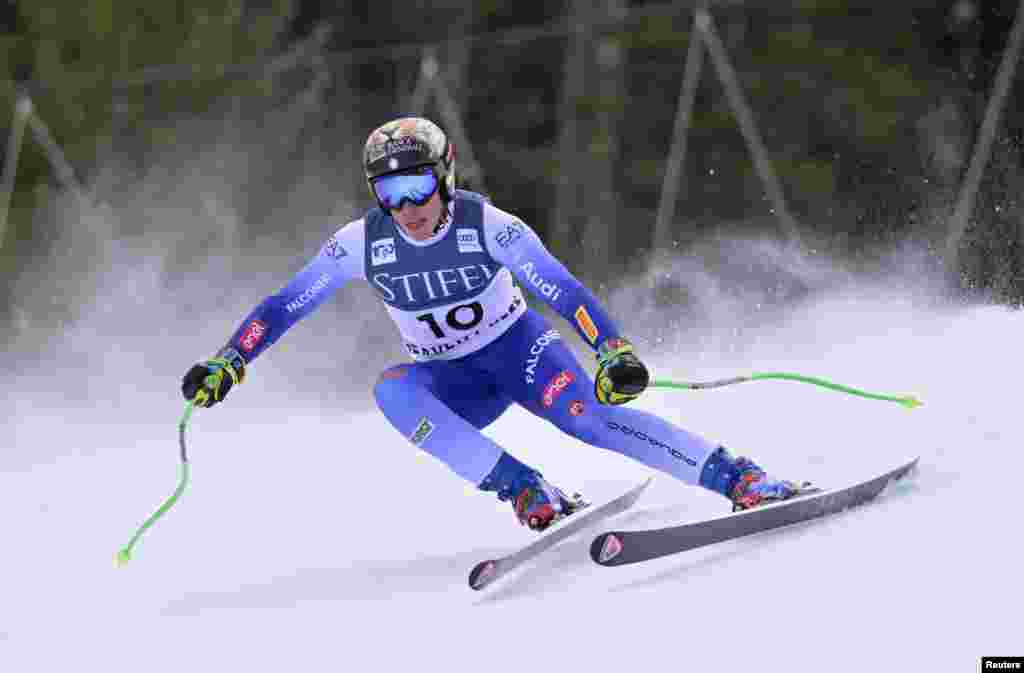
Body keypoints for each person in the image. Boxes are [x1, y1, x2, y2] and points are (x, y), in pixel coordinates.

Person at [181, 116, 807, 532]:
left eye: (418, 186)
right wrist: (230, 360)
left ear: (445, 176)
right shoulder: (360, 243)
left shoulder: (489, 226)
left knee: (588, 418)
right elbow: (286, 305)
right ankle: (525, 490)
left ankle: (739, 477)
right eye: (390, 193)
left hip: (521, 354)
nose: (407, 208)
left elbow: (562, 290)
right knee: (392, 392)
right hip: (455, 380)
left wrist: (612, 350)